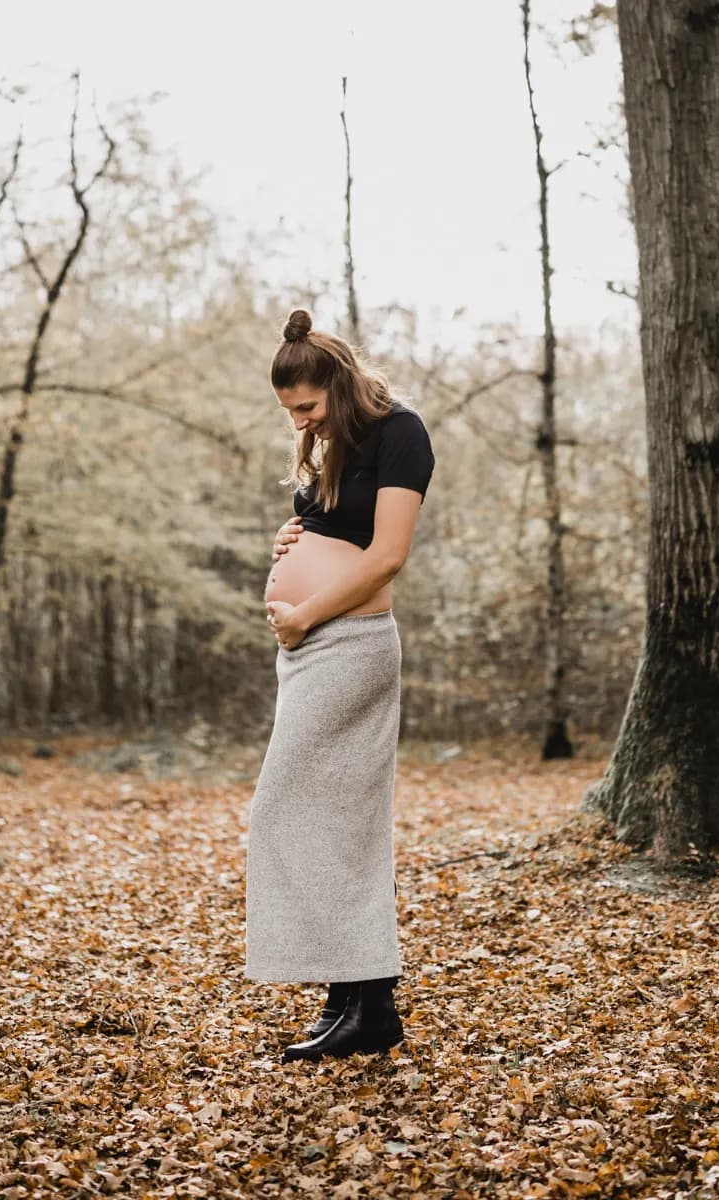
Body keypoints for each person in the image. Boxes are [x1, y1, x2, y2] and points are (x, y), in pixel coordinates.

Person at [244, 307, 436, 1063]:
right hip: (310, 648)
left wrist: (303, 613)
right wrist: (292, 538)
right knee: (324, 819)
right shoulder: (333, 442)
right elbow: (335, 531)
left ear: (340, 382)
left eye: (307, 407)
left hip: (351, 647)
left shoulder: (400, 433)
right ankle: (351, 1000)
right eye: (289, 412)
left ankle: (371, 1000)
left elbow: (387, 555)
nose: (299, 422)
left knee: (291, 810)